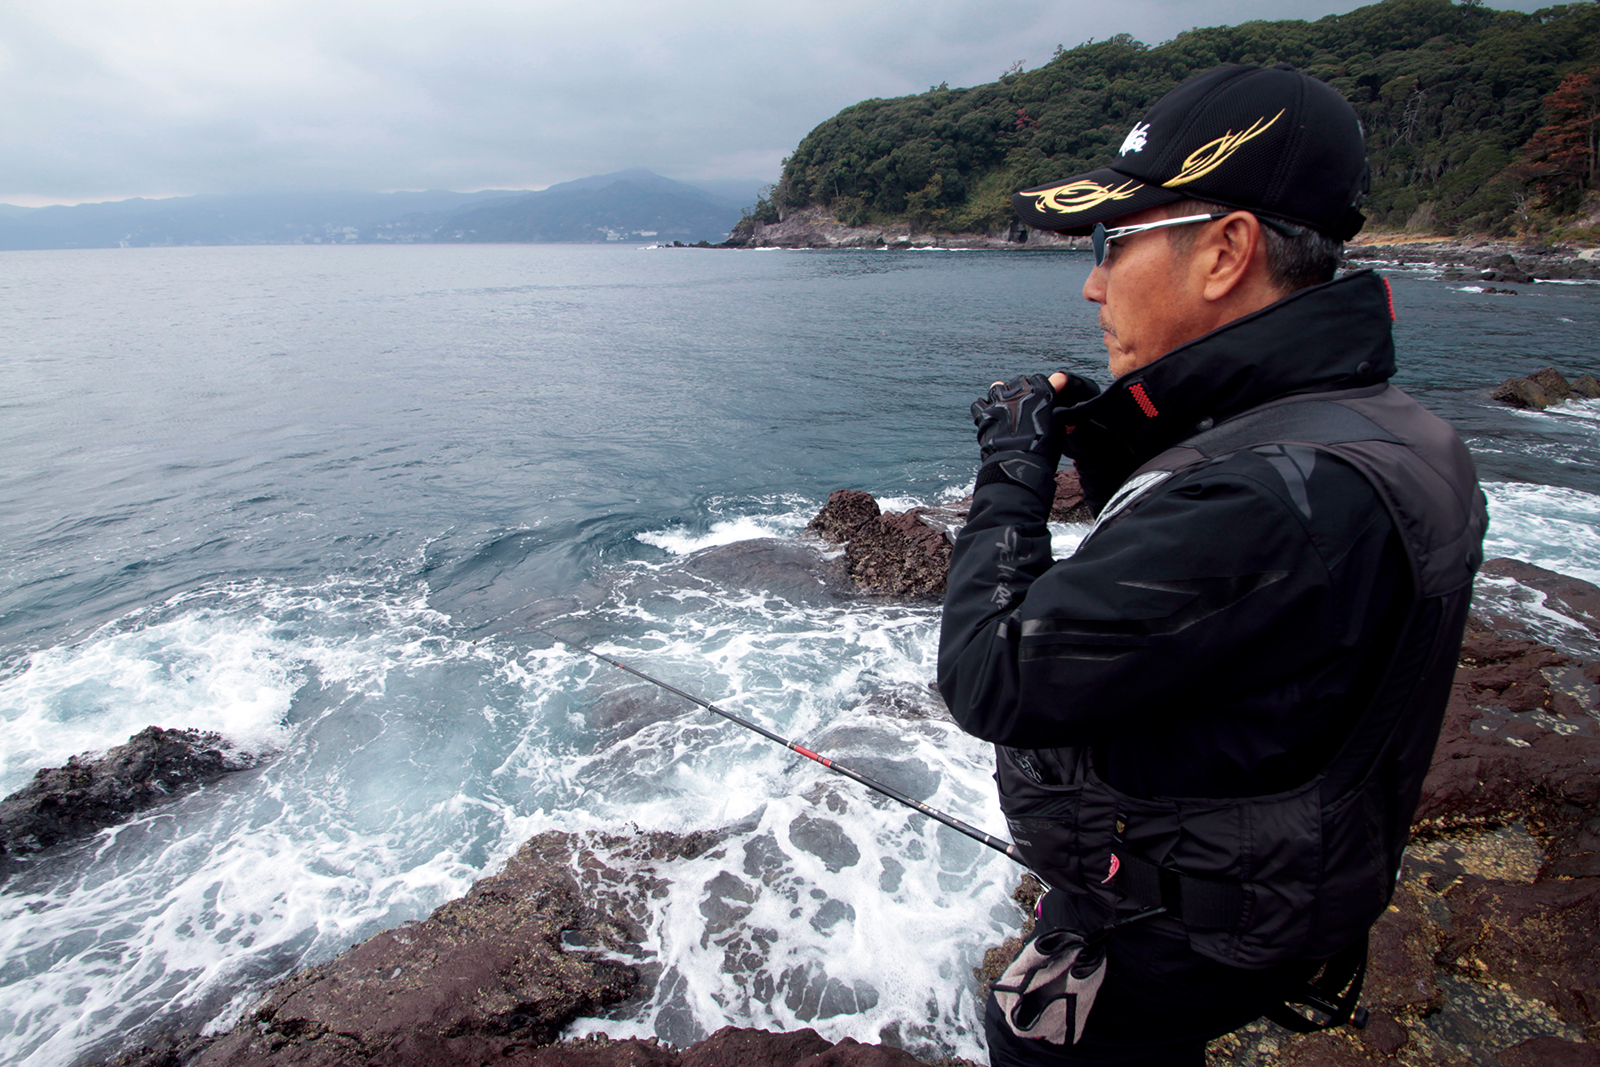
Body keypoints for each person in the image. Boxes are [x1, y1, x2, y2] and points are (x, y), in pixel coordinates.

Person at [936, 64, 1487, 1065]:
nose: (1092, 281)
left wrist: (1013, 465)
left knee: (1030, 1040)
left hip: (1186, 923)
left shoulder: (1266, 489)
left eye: (1115, 242)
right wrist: (1123, 432)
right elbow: (1228, 624)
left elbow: (993, 674)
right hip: (1295, 882)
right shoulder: (1385, 429)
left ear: (1227, 250)